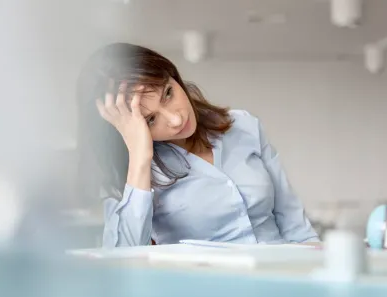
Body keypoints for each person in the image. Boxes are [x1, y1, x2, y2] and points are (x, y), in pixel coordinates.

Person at [76, 42, 319, 248]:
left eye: (168, 94)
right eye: (150, 119)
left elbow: (295, 226)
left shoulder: (243, 126)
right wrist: (140, 158)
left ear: (174, 76)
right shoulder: (128, 175)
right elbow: (123, 263)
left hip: (283, 285)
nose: (176, 118)